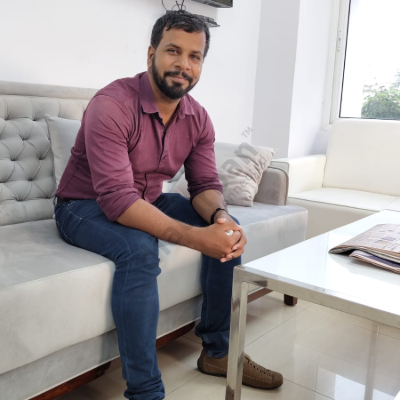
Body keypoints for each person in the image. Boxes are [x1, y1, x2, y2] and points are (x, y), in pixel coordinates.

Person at [54, 10, 283, 400]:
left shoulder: (198, 118)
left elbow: (204, 186)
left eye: (195, 56)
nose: (183, 65)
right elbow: (118, 199)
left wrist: (220, 218)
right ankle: (145, 392)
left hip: (147, 197)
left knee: (226, 231)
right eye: (173, 51)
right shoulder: (112, 104)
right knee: (139, 249)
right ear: (151, 54)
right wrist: (196, 238)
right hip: (83, 205)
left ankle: (219, 352)